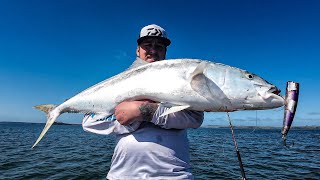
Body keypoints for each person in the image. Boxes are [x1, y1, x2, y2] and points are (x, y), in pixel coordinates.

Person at [82, 24, 204, 179]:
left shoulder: (179, 81)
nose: (153, 50)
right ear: (137, 50)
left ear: (165, 52)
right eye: (147, 45)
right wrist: (127, 120)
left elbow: (195, 118)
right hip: (122, 175)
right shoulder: (119, 83)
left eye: (159, 46)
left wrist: (145, 111)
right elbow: (89, 121)